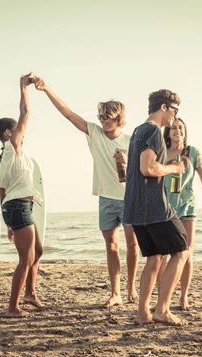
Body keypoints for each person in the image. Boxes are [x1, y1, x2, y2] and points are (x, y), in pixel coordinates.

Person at [33, 77, 139, 308]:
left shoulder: (132, 141)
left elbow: (144, 170)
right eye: (100, 116)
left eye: (107, 117)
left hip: (129, 199)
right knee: (111, 247)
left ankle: (132, 289)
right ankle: (116, 293)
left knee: (132, 245)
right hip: (106, 199)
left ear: (118, 118)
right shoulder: (95, 133)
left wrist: (128, 162)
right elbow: (69, 114)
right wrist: (47, 89)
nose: (102, 120)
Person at [123, 89, 189, 326]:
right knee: (181, 251)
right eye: (174, 110)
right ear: (163, 107)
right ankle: (162, 309)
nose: (175, 116)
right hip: (154, 207)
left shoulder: (139, 130)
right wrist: (174, 168)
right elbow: (148, 168)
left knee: (154, 258)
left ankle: (143, 312)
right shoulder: (152, 131)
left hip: (135, 207)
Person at [0, 73, 43, 317]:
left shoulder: (3, 158)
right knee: (26, 259)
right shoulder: (12, 146)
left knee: (37, 251)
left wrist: (8, 223)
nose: (22, 131)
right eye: (17, 129)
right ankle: (13, 307)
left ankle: (30, 293)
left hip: (16, 208)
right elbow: (26, 113)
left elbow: (1, 192)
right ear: (9, 132)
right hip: (18, 207)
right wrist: (23, 87)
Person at [154, 118, 202, 310]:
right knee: (162, 256)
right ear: (167, 132)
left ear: (185, 131)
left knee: (187, 253)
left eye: (180, 128)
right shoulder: (162, 152)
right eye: (173, 128)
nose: (177, 131)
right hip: (165, 208)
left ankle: (183, 297)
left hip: (187, 207)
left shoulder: (192, 152)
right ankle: (162, 299)